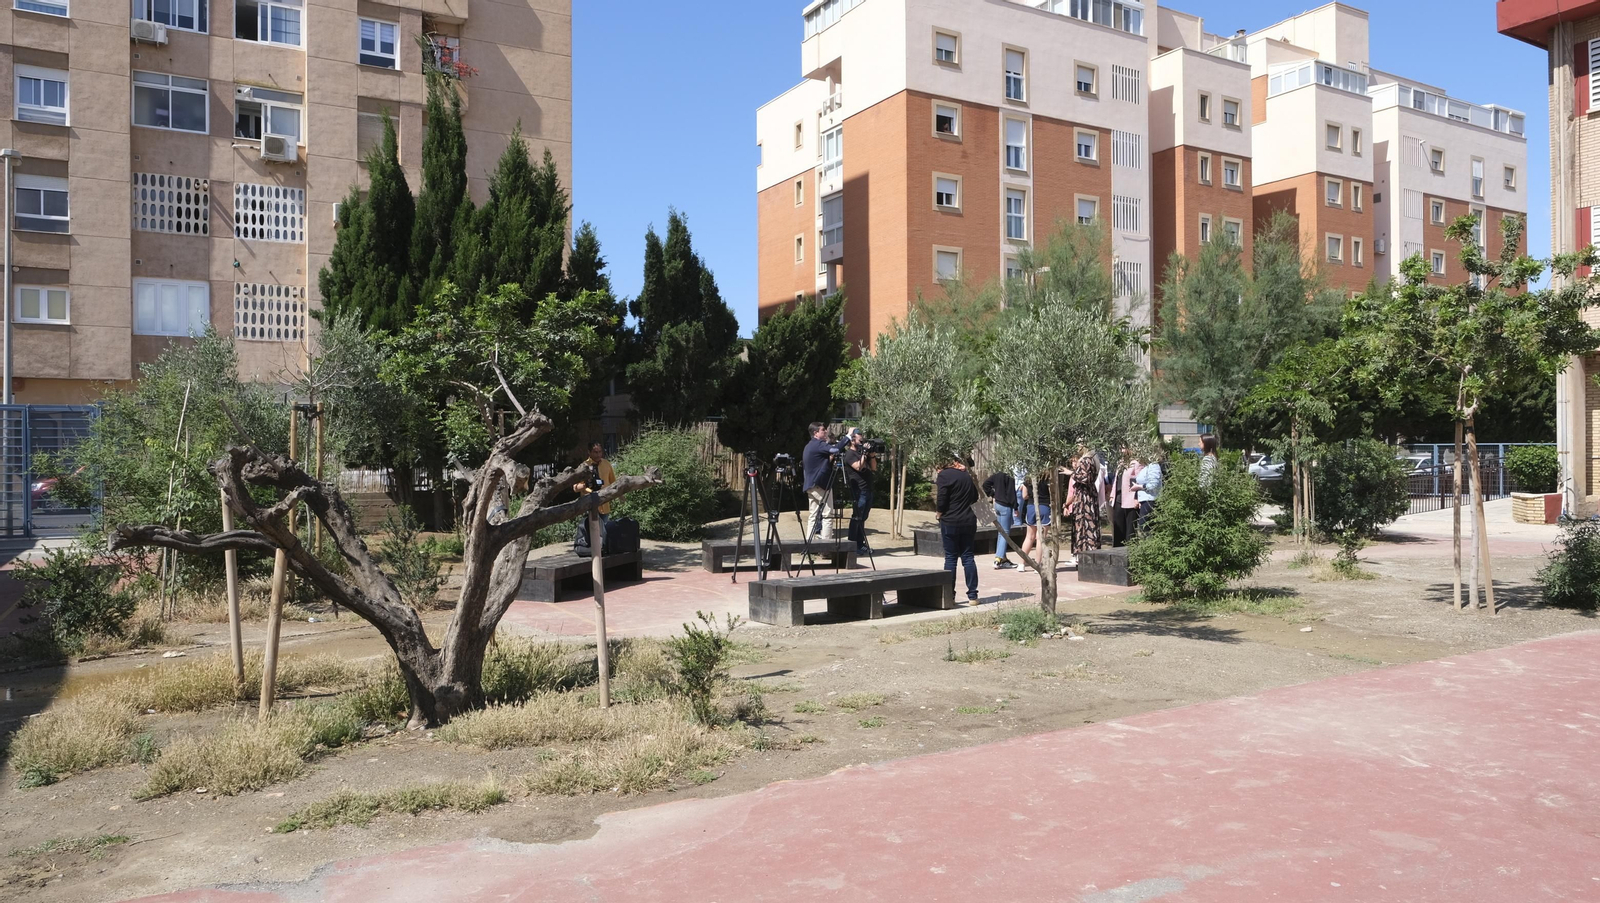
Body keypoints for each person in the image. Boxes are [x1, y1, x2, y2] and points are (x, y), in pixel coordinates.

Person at [935, 452, 981, 604]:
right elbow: (975, 497)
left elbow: (942, 498)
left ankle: (950, 596)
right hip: (968, 520)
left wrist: (939, 512)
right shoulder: (968, 475)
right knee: (968, 557)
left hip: (950, 521)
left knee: (951, 558)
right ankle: (973, 596)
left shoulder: (944, 476)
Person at [572, 442, 616, 550]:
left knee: (604, 533)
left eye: (600, 452)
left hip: (604, 504)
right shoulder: (584, 466)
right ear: (589, 452)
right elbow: (575, 487)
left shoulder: (606, 464)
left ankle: (603, 553)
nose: (598, 455)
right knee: (591, 533)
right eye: (595, 452)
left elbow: (614, 482)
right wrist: (586, 486)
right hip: (589, 505)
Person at [841, 428, 877, 554]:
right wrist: (864, 454)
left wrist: (871, 455)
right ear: (852, 440)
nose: (861, 438)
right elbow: (858, 466)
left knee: (863, 518)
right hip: (858, 490)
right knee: (856, 517)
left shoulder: (863, 452)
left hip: (868, 489)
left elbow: (874, 468)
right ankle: (852, 545)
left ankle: (860, 544)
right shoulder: (849, 454)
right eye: (859, 437)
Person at [1065, 447, 1102, 559]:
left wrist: (1071, 473)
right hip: (1087, 496)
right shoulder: (1092, 458)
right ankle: (1087, 556)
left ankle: (1087, 557)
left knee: (1085, 528)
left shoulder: (1086, 459)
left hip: (1085, 498)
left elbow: (1085, 477)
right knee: (1086, 526)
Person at [802, 422, 836, 539]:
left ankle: (809, 543)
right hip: (820, 485)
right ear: (816, 433)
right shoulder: (819, 444)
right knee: (828, 514)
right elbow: (836, 449)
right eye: (823, 430)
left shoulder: (809, 445)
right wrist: (848, 437)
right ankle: (826, 547)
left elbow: (819, 463)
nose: (825, 431)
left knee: (813, 515)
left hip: (810, 485)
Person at [982, 467, 1019, 569]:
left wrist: (992, 494)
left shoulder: (997, 474)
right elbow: (1012, 493)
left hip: (997, 504)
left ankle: (1003, 558)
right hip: (1005, 506)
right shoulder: (1010, 476)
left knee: (1001, 532)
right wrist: (1016, 507)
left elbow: (985, 484)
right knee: (1005, 533)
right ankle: (998, 559)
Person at [1016, 464, 1051, 569]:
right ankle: (1037, 564)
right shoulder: (1047, 479)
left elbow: (1024, 496)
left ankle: (1021, 564)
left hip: (1031, 507)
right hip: (1044, 506)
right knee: (1041, 538)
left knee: (1029, 537)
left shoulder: (1028, 479)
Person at [1111, 447, 1143, 548]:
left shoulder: (1136, 463)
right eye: (1120, 448)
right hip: (1118, 500)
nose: (1122, 450)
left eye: (1124, 448)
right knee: (1118, 530)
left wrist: (1137, 498)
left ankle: (1130, 557)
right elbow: (1116, 480)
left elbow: (1139, 481)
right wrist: (1112, 495)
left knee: (1130, 532)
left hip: (1131, 501)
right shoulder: (1120, 463)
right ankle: (1116, 557)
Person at [1135, 448, 1165, 533]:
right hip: (1146, 501)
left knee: (1145, 528)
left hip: (1150, 501)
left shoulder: (1153, 466)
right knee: (1144, 528)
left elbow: (1153, 485)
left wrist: (1139, 486)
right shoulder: (1148, 466)